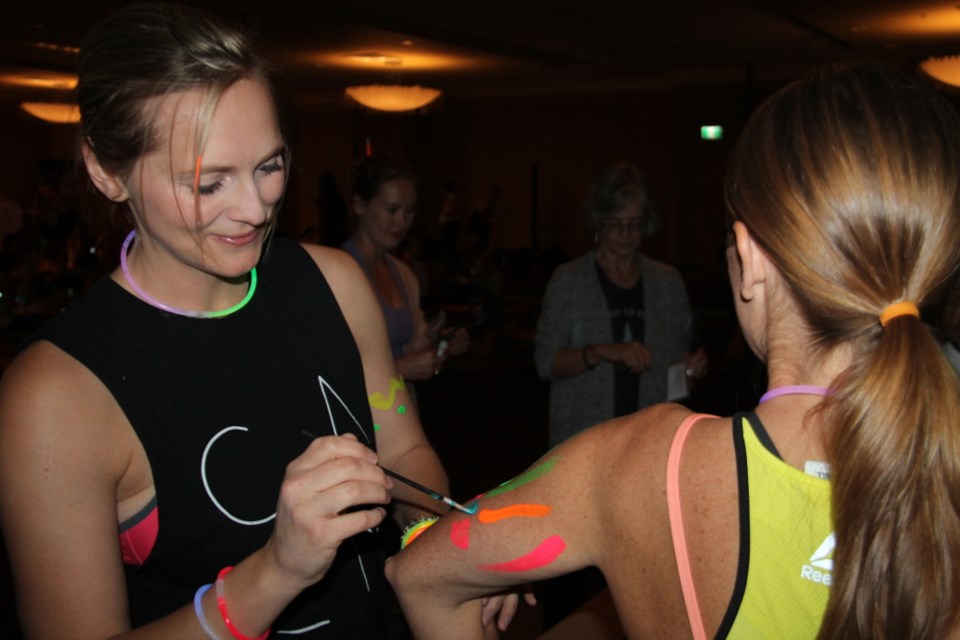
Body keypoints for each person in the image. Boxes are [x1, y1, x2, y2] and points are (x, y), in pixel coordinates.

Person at [385, 61, 960, 639]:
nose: (629, 235)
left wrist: (425, 532)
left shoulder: (634, 466)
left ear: (750, 257)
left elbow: (421, 573)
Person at [0, 5, 458, 638]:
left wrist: (445, 553)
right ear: (108, 172)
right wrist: (277, 570)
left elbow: (405, 453)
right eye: (209, 183)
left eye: (269, 166)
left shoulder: (335, 284)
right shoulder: (56, 396)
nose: (255, 208)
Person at [534, 163, 707, 451]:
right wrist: (600, 352)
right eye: (615, 224)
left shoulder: (667, 283)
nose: (626, 234)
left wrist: (689, 372)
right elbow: (545, 362)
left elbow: (675, 372)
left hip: (648, 442)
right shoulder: (569, 281)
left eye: (635, 223)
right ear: (597, 223)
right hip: (583, 441)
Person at [341, 153, 468, 382]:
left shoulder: (403, 273)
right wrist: (397, 370)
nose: (402, 222)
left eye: (409, 211)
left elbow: (407, 344)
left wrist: (439, 341)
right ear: (359, 204)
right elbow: (325, 370)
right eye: (392, 210)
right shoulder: (336, 273)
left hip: (399, 411)